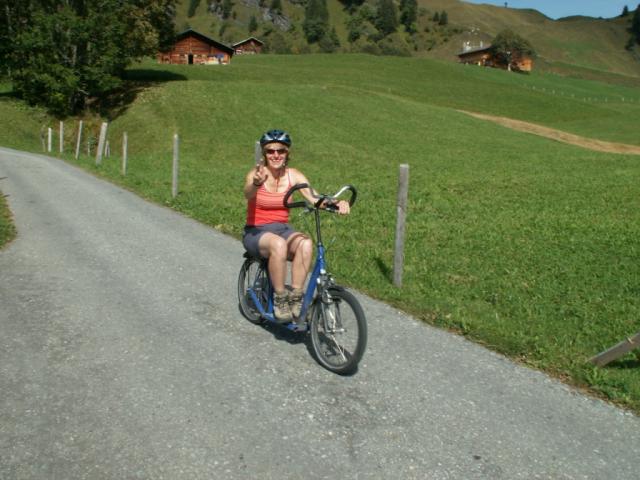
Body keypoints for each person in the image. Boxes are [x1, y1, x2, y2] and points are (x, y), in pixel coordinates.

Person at [243, 129, 350, 323]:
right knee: (278, 245)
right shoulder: (257, 174)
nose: (276, 155)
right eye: (270, 151)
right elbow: (248, 193)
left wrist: (337, 204)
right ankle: (280, 298)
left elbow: (314, 198)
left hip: (282, 230)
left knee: (305, 243)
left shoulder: (293, 175)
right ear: (265, 154)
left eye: (281, 150)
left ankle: (296, 298)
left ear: (287, 153)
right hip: (256, 231)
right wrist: (257, 184)